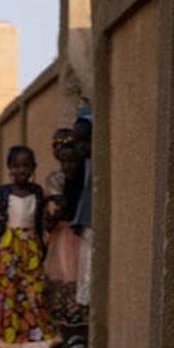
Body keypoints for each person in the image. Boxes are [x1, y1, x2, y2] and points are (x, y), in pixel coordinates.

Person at [0, 145, 60, 348]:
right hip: (8, 253)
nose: (20, 170)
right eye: (16, 166)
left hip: (31, 252)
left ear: (33, 168)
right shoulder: (2, 194)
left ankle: (41, 343)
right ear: (9, 168)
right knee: (11, 300)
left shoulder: (37, 193)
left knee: (35, 296)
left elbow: (43, 225)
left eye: (25, 166)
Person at [43, 139, 89, 348]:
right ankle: (66, 340)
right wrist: (53, 214)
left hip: (80, 241)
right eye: (65, 162)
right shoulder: (56, 184)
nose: (69, 166)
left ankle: (78, 340)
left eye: (74, 162)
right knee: (62, 286)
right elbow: (49, 220)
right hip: (61, 242)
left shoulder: (85, 185)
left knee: (76, 286)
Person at [71, 116, 94, 310]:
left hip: (92, 224)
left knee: (89, 270)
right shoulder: (82, 166)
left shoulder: (94, 165)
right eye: (77, 143)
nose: (81, 147)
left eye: (86, 141)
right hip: (85, 224)